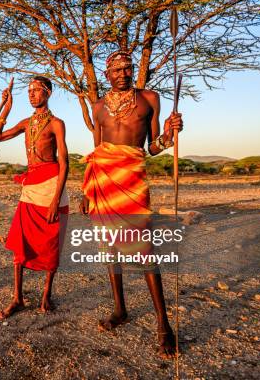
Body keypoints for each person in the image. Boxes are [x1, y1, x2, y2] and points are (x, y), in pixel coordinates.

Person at [80, 50, 184, 358]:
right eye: (117, 70)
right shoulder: (97, 107)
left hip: (132, 180)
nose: (123, 73)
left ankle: (164, 325)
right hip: (103, 179)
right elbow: (97, 149)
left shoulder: (149, 98)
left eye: (128, 68)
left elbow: (152, 147)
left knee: (144, 250)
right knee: (109, 248)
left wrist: (169, 134)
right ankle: (120, 310)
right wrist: (87, 192)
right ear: (107, 74)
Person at [0, 76, 69, 318]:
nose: (32, 94)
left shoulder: (57, 123)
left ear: (48, 93)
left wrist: (56, 199)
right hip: (31, 185)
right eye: (29, 91)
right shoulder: (26, 122)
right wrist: (7, 107)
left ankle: (46, 295)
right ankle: (17, 298)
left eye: (37, 90)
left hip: (51, 185)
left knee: (51, 241)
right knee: (20, 238)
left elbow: (65, 162)